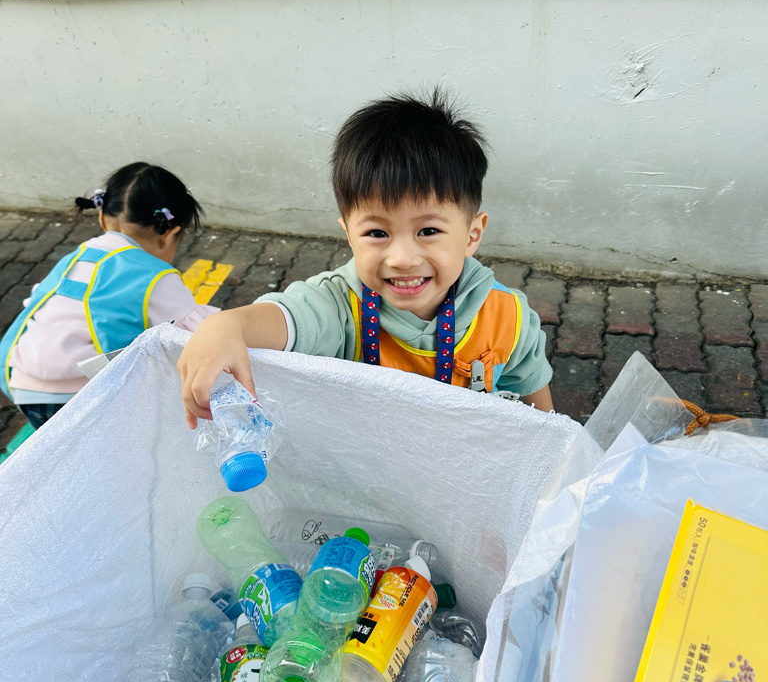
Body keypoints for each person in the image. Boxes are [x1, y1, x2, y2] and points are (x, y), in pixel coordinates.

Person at [178, 90, 553, 427]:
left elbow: (537, 403)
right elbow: (291, 317)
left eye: (428, 231)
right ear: (348, 234)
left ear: (472, 234)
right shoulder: (341, 307)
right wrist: (228, 326)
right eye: (377, 233)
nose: (402, 258)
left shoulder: (509, 318)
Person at [0, 162, 215, 429]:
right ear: (169, 234)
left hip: (24, 388)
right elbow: (199, 334)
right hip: (87, 397)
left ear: (102, 217)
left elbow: (40, 302)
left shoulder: (78, 256)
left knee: (65, 446)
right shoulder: (156, 276)